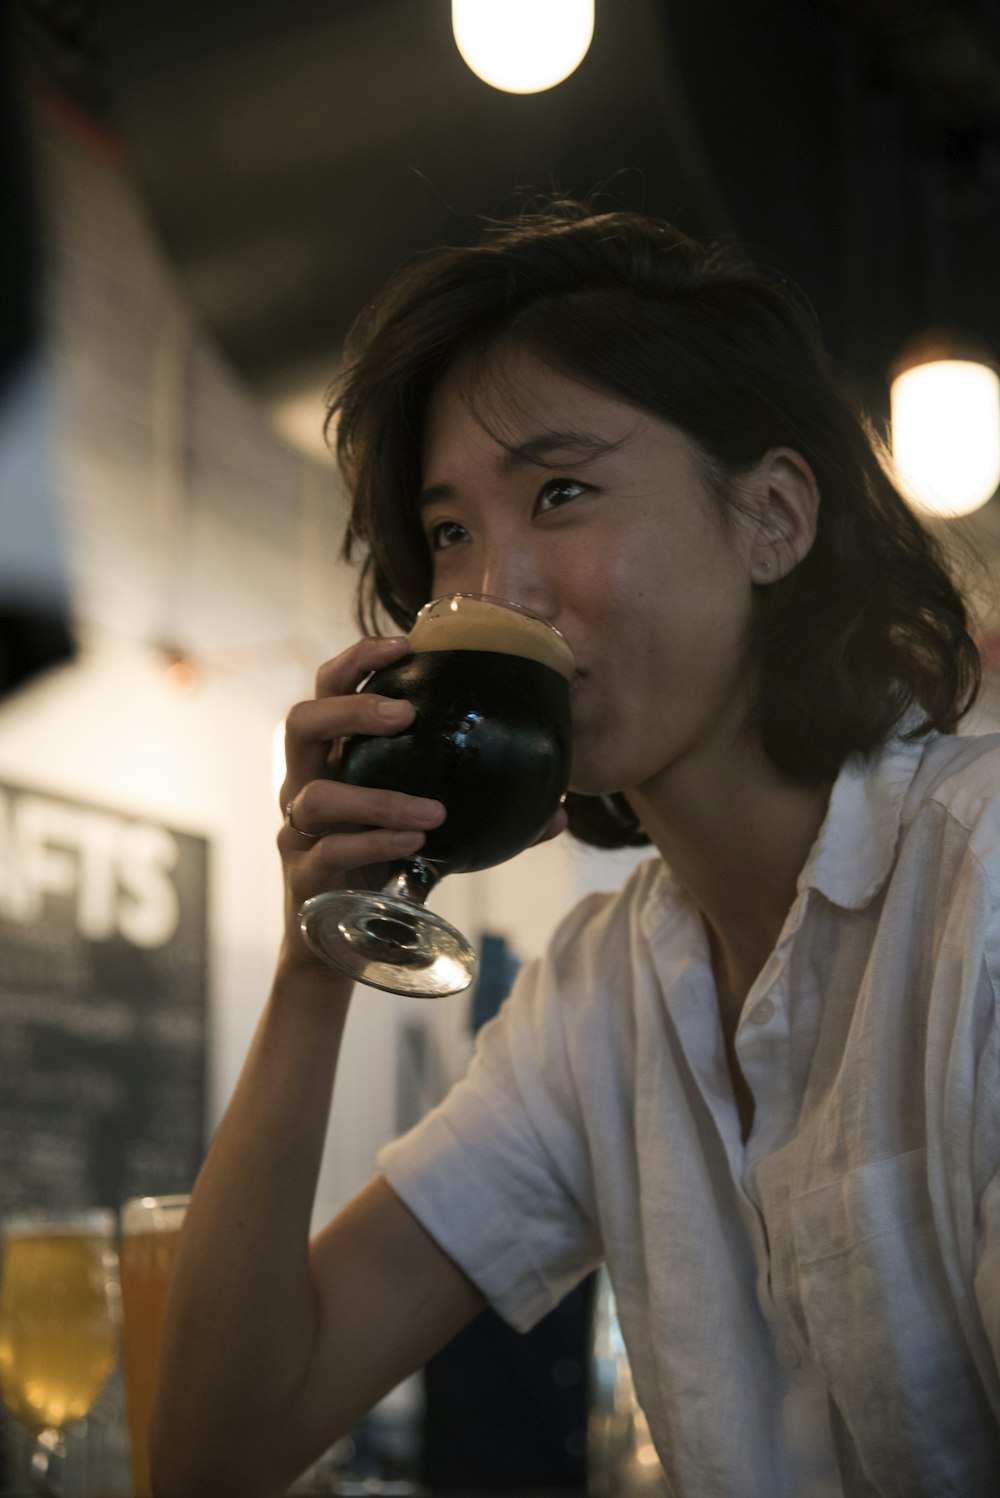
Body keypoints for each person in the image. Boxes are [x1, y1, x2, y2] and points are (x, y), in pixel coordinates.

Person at [150, 200, 1000, 1498]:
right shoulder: (601, 995)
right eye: (450, 534)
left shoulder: (979, 880)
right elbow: (220, 1444)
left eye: (561, 492)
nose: (498, 589)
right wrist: (316, 956)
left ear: (771, 517)